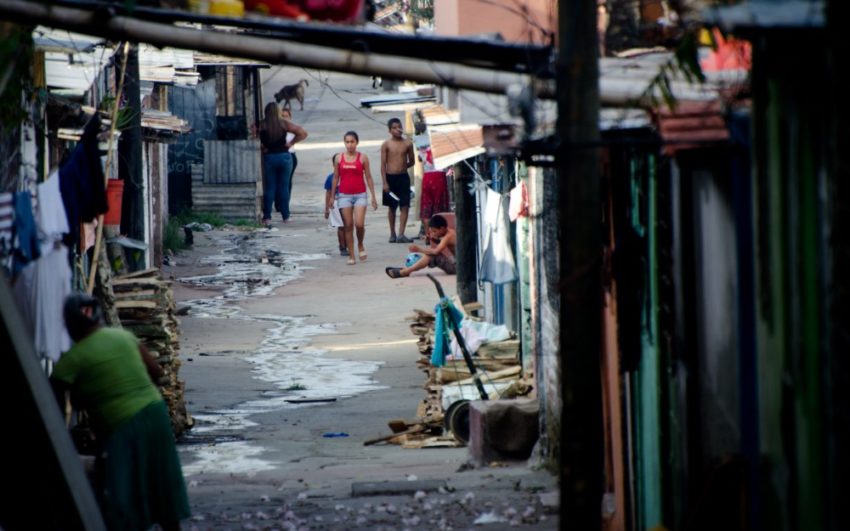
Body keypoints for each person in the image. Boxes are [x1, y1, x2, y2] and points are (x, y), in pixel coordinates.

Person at [50, 293, 190, 530]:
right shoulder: (123, 337)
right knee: (161, 482)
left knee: (122, 492)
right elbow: (156, 372)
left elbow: (53, 406)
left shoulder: (70, 361)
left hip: (120, 424)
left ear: (70, 324)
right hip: (154, 413)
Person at [328, 130, 378, 265]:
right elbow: (335, 178)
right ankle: (351, 255)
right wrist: (332, 197)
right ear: (344, 143)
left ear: (357, 143)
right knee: (348, 225)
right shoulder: (339, 158)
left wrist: (373, 196)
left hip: (360, 194)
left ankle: (360, 244)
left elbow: (368, 177)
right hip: (344, 195)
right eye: (347, 142)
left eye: (352, 142)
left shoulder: (363, 158)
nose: (350, 145)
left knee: (359, 224)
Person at [259, 102, 307, 227]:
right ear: (278, 112)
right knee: (284, 187)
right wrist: (291, 143)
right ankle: (286, 216)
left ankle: (267, 217)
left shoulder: (261, 124)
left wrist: (262, 146)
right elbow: (303, 133)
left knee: (270, 187)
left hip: (269, 157)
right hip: (285, 156)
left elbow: (251, 134)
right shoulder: (284, 124)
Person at [385, 213, 456, 278]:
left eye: (435, 231)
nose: (434, 234)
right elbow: (441, 241)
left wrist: (419, 249)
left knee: (431, 255)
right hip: (457, 262)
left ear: (442, 228)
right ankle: (407, 270)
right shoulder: (450, 232)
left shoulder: (448, 236)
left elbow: (435, 252)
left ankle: (406, 271)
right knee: (431, 254)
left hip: (457, 268)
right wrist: (432, 238)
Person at [380, 117, 415, 243]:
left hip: (403, 178)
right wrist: (385, 182)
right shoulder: (386, 144)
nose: (398, 130)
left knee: (405, 206)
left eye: (399, 127)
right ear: (389, 130)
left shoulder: (407, 144)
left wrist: (402, 167)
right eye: (394, 128)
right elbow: (383, 165)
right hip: (390, 178)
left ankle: (401, 234)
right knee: (392, 207)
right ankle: (392, 233)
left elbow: (412, 161)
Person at [323, 156, 347, 256]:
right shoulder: (331, 178)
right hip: (336, 204)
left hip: (347, 203)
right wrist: (326, 209)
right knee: (341, 226)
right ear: (333, 164)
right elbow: (328, 193)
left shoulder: (347, 176)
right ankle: (343, 247)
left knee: (347, 225)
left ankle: (346, 245)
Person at [280, 107, 299, 200]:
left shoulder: (293, 129)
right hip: (279, 155)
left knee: (288, 180)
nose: (284, 118)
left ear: (290, 117)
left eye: (286, 116)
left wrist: (291, 143)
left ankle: (286, 201)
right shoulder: (276, 129)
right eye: (282, 116)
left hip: (290, 155)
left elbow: (303, 134)